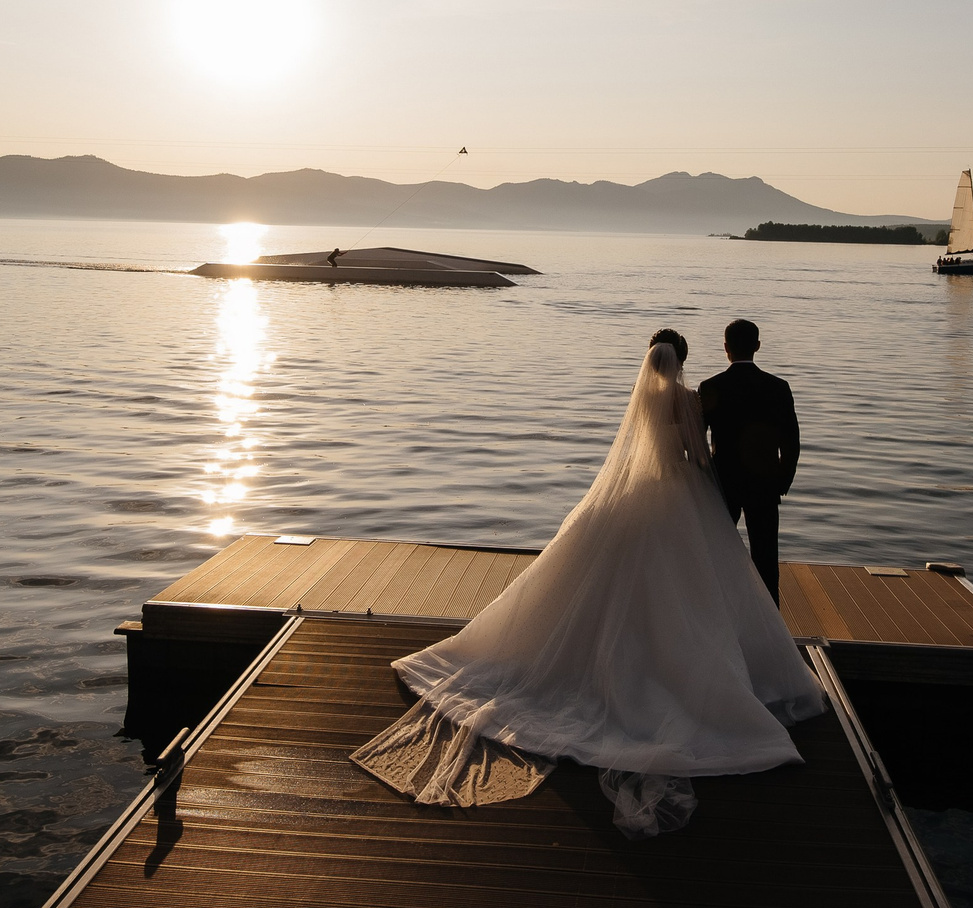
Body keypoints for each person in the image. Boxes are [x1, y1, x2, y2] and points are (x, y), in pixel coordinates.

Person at [350, 330, 823, 837]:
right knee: (713, 576)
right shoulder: (695, 397)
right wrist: (724, 485)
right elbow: (699, 454)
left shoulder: (648, 397)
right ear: (683, 360)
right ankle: (729, 646)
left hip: (640, 492)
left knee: (624, 576)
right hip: (690, 493)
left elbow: (646, 448)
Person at [695, 318, 799, 604]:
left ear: (725, 347)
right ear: (757, 346)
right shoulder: (778, 387)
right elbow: (791, 440)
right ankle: (771, 621)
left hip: (722, 484)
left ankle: (717, 610)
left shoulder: (710, 386)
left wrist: (707, 475)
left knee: (716, 553)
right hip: (764, 483)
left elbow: (696, 438)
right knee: (766, 560)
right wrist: (781, 480)